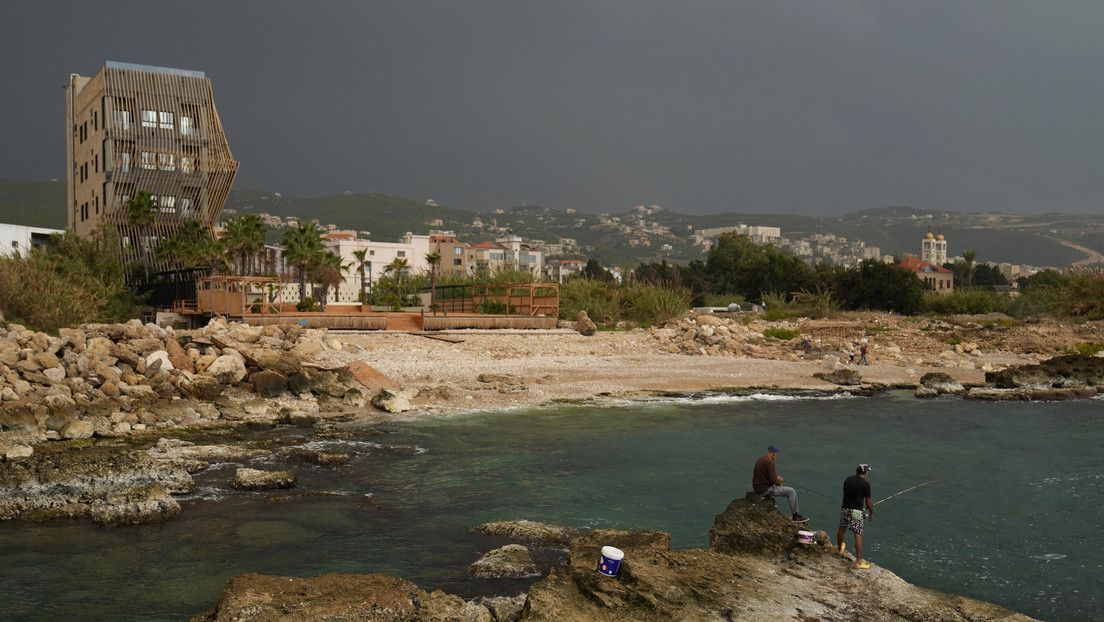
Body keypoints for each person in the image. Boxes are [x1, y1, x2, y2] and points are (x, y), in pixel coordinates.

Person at [752, 445, 808, 523]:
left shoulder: (760, 459)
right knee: (791, 491)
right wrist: (779, 481)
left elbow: (764, 475)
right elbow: (773, 480)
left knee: (779, 486)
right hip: (765, 489)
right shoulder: (770, 462)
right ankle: (795, 516)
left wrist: (776, 477)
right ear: (774, 453)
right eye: (777, 454)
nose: (776, 456)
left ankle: (767, 497)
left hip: (757, 488)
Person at [837, 463, 875, 569]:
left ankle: (839, 549)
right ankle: (858, 562)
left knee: (842, 528)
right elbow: (868, 502)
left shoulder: (848, 479)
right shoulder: (866, 484)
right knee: (858, 533)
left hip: (844, 508)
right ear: (865, 472)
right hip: (856, 512)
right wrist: (871, 512)